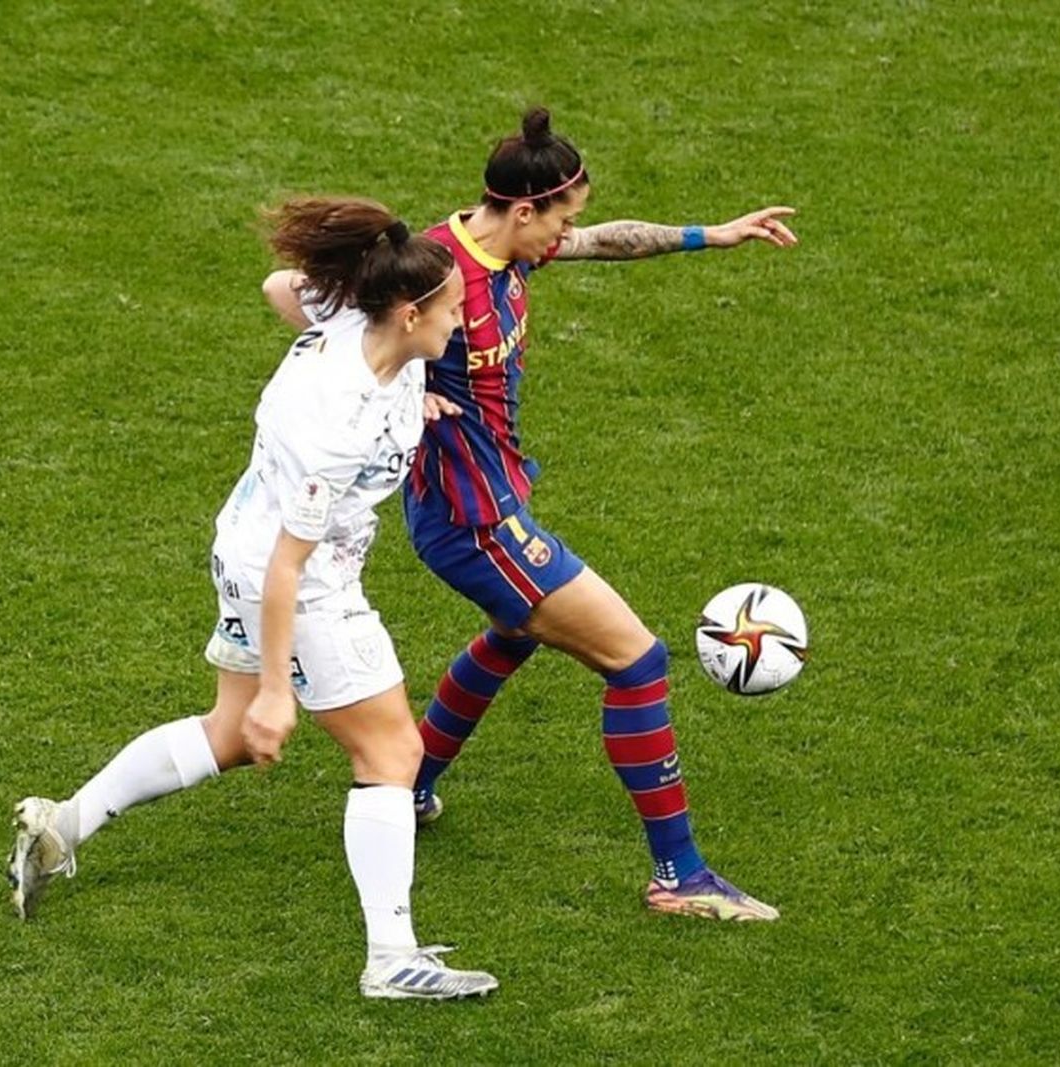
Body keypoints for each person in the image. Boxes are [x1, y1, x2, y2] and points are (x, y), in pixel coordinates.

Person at [266, 109, 797, 922]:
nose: (568, 236)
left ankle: (409, 788)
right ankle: (679, 876)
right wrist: (396, 378)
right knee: (638, 659)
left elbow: (607, 241)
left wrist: (710, 235)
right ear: (523, 212)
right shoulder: (439, 274)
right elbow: (292, 295)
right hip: (474, 521)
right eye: (563, 219)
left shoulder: (504, 245)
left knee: (514, 634)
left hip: (486, 500)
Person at [6, 196, 498, 1000]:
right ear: (408, 314)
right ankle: (391, 958)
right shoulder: (333, 421)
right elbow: (289, 568)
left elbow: (281, 288)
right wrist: (278, 688)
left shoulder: (358, 322)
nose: (462, 323)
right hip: (297, 578)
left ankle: (65, 824)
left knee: (226, 735)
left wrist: (413, 394)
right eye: (451, 310)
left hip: (241, 541)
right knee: (391, 754)